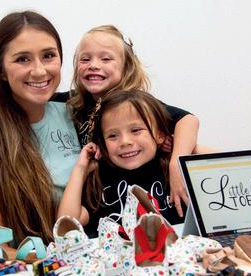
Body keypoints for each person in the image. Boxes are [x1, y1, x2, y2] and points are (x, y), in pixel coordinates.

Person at [0, 24, 200, 216]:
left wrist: (177, 163)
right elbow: (29, 96)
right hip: (98, 201)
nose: (94, 65)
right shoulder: (72, 102)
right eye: (85, 59)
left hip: (145, 189)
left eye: (106, 58)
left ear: (127, 66)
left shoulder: (136, 105)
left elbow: (188, 120)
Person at [0, 11, 80, 243]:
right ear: (1, 70)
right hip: (32, 263)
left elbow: (135, 102)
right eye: (23, 59)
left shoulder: (77, 113)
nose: (39, 70)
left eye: (48, 56)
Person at [57, 89, 185, 236]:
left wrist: (181, 148)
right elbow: (66, 226)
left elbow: (209, 162)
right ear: (102, 143)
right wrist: (80, 169)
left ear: (160, 135)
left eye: (136, 130)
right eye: (112, 135)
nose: (125, 141)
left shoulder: (173, 172)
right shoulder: (100, 180)